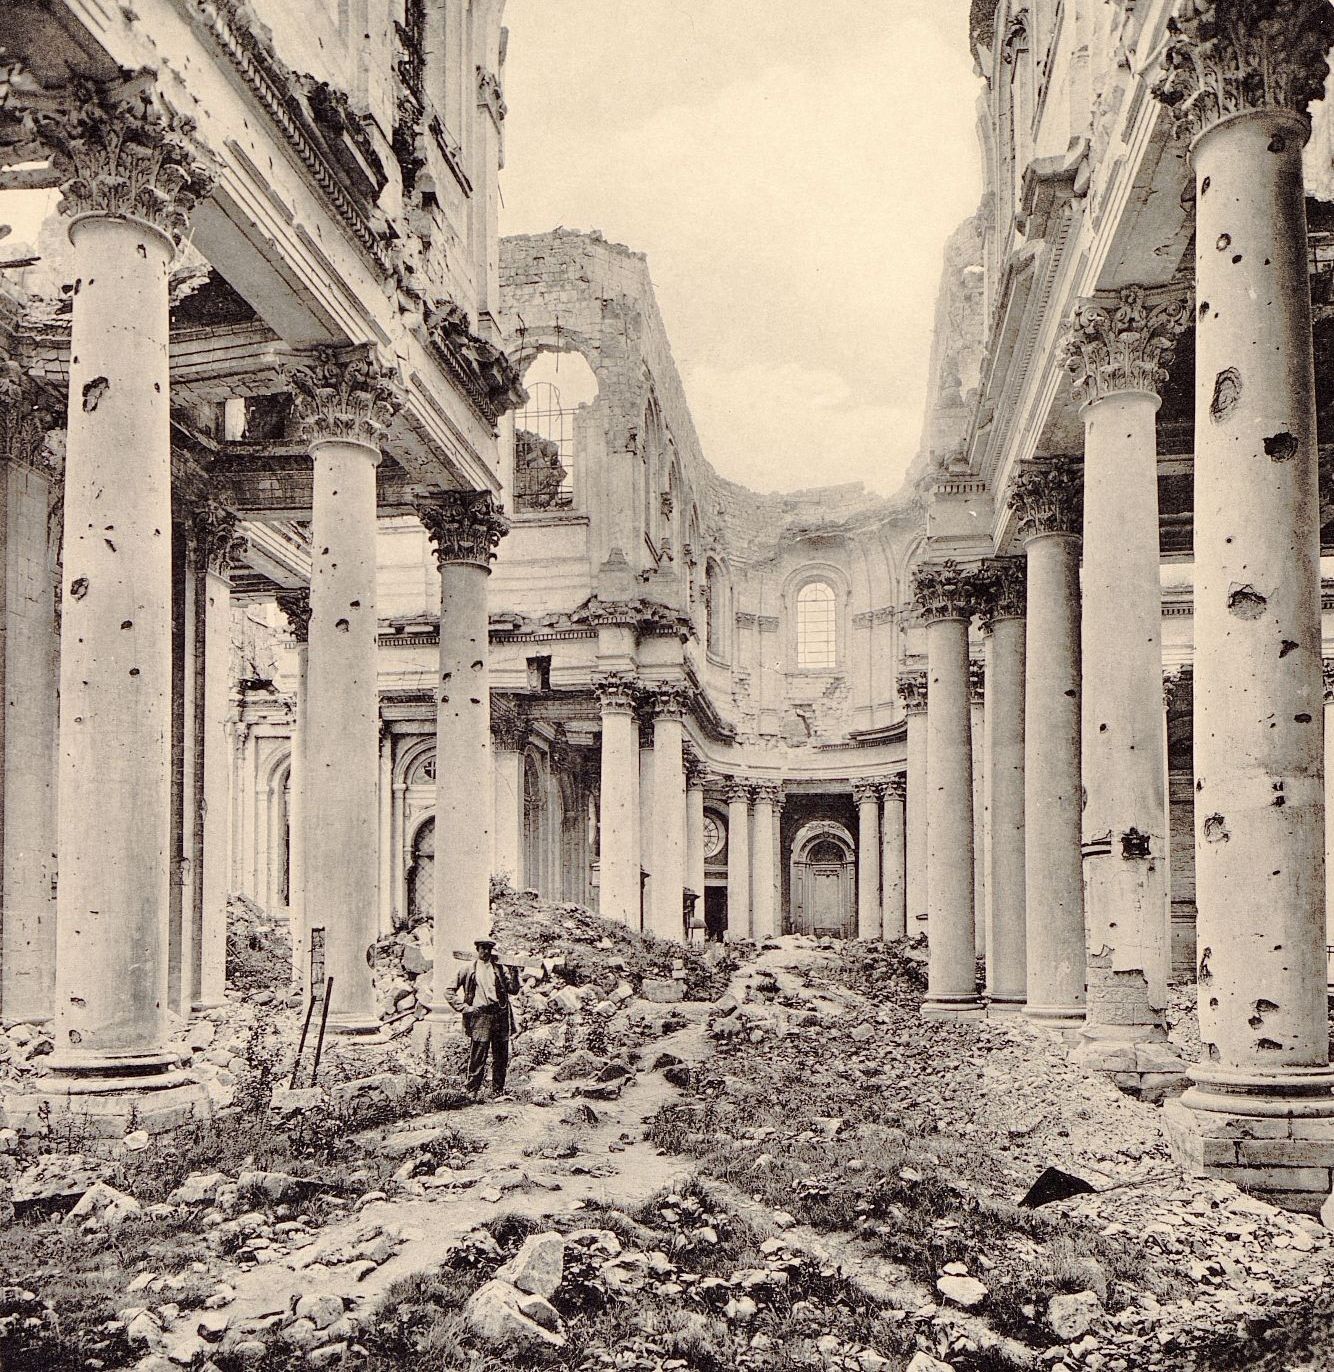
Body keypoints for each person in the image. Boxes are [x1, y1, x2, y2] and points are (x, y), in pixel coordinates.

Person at [449, 935, 520, 1098]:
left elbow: (513, 990)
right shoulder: (468, 969)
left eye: (489, 949)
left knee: (501, 1054)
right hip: (480, 1015)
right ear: (477, 949)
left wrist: (514, 972)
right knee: (478, 1053)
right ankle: (471, 1091)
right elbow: (449, 990)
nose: (486, 952)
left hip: (500, 1014)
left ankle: (498, 1091)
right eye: (483, 948)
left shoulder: (499, 969)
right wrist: (464, 1008)